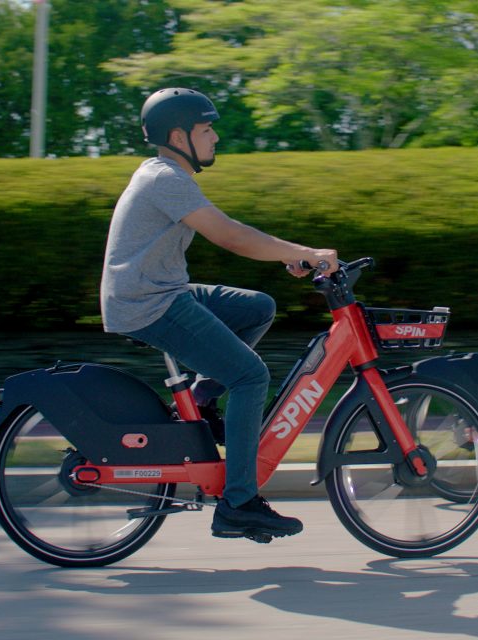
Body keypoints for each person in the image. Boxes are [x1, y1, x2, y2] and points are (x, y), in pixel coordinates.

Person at [100, 87, 338, 543]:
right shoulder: (164, 178)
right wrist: (302, 252)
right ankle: (239, 503)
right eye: (206, 130)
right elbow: (229, 234)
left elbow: (235, 235)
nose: (215, 138)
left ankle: (202, 401)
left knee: (257, 307)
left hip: (158, 289)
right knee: (250, 377)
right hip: (148, 301)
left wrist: (290, 255)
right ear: (178, 135)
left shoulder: (165, 173)